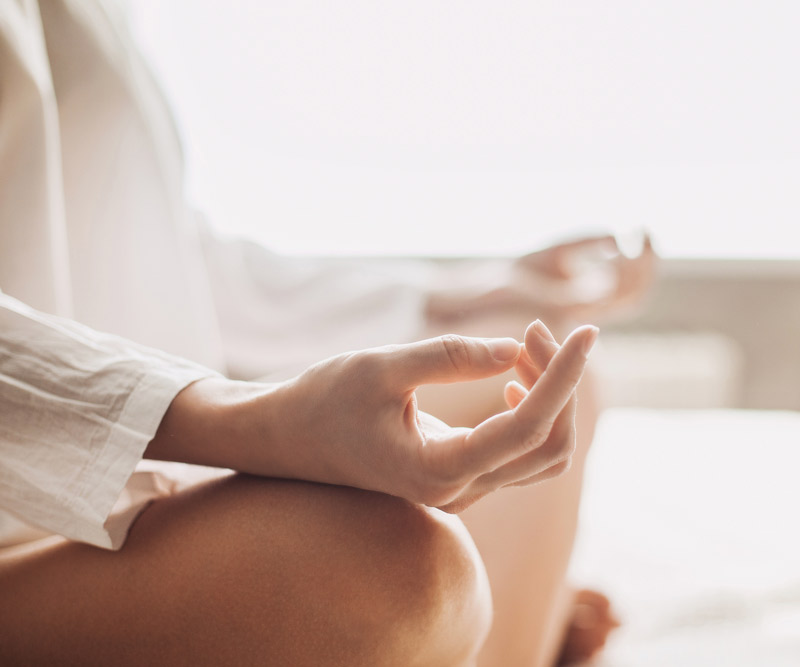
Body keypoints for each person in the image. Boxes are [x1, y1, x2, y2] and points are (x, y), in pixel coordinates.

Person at [0, 1, 655, 665]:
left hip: (133, 476)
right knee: (402, 568)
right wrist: (249, 421)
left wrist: (463, 295)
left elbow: (165, 255)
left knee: (531, 372)